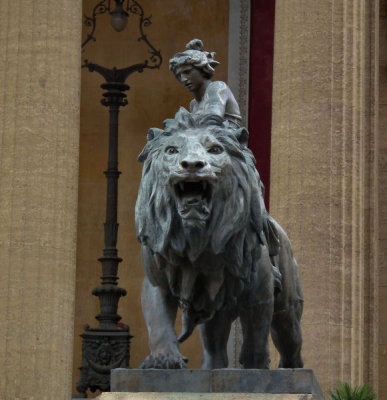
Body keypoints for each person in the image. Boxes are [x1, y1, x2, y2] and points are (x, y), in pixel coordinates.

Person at [169, 39, 242, 129]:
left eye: (187, 72)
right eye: (179, 75)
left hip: (223, 139)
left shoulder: (217, 87)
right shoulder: (194, 104)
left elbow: (212, 120)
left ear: (203, 70)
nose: (183, 79)